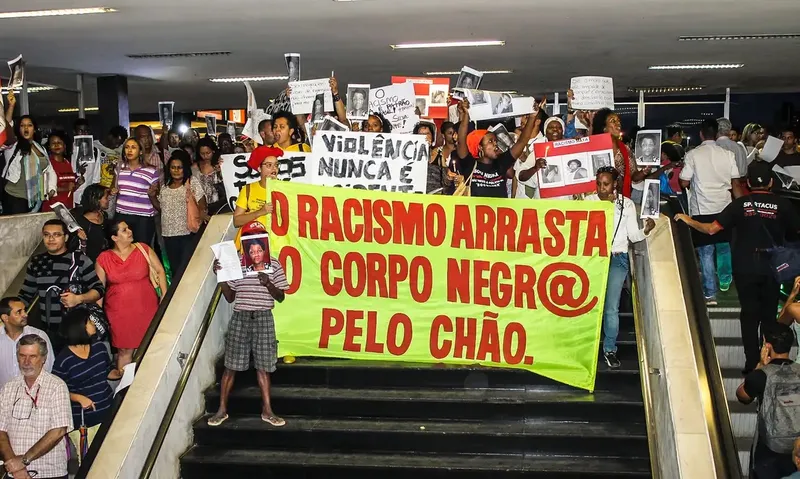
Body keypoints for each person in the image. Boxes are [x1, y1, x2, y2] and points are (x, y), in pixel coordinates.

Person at [675, 161, 800, 373]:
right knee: (769, 314)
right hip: (773, 268)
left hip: (745, 267)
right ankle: (771, 360)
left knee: (749, 314)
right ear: (770, 182)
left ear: (748, 183)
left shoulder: (740, 204)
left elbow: (712, 229)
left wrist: (688, 220)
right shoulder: (783, 205)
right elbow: (795, 232)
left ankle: (752, 363)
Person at [206, 250, 290, 427]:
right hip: (241, 316)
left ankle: (267, 410)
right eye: (251, 248)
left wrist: (268, 284)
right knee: (230, 365)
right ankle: (222, 410)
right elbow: (230, 297)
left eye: (259, 248)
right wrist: (221, 275)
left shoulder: (273, 264)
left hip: (264, 316)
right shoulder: (238, 264)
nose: (255, 252)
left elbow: (281, 297)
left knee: (264, 366)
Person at [586, 166, 654, 368]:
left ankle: (609, 349)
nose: (601, 188)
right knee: (588, 304)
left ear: (615, 184)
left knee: (611, 308)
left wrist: (646, 231)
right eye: (598, 183)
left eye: (605, 184)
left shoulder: (627, 204)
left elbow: (633, 236)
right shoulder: (589, 201)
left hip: (617, 258)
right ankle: (586, 347)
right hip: (592, 258)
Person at [678, 118, 744, 305]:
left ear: (701, 134)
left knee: (706, 252)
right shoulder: (727, 154)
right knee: (723, 247)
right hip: (725, 207)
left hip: (702, 208)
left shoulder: (694, 155)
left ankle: (710, 293)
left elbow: (684, 181)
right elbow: (736, 182)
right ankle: (725, 281)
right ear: (716, 134)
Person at [19, 220, 104, 352]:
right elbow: (25, 295)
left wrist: (78, 299)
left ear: (66, 237)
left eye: (56, 235)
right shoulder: (37, 262)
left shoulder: (80, 260)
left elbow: (99, 289)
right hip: (49, 332)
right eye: (47, 235)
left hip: (77, 330)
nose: (51, 239)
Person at [95, 218, 166, 373]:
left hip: (146, 307)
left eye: (128, 228)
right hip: (118, 312)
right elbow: (99, 289)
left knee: (150, 346)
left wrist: (164, 298)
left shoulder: (143, 249)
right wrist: (97, 313)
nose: (130, 232)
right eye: (124, 230)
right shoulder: (103, 258)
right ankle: (125, 390)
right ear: (114, 237)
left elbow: (160, 271)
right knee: (124, 351)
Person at [0, 334, 72, 479]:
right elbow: (1, 431)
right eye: (22, 356)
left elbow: (58, 431)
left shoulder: (57, 386)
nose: (26, 362)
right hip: (14, 472)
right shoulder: (8, 388)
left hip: (49, 472)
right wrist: (14, 466)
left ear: (44, 359)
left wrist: (24, 460)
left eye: (32, 356)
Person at [736, 323, 800, 479]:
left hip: (768, 448)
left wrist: (760, 365)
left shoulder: (761, 375)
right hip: (797, 448)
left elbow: (742, 396)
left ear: (767, 345)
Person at [53, 309, 113, 457]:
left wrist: (119, 373)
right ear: (79, 327)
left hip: (108, 413)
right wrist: (78, 398)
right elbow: (55, 390)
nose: (94, 324)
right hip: (84, 422)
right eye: (89, 321)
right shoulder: (64, 360)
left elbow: (108, 371)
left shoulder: (99, 347)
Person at [453, 99, 539, 198]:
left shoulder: (501, 162)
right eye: (490, 141)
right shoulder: (470, 164)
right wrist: (466, 114)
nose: (495, 144)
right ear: (480, 147)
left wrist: (532, 117)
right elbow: (461, 140)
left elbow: (522, 142)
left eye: (495, 141)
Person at [149, 150, 207, 278]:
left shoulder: (191, 182)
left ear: (184, 168)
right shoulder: (164, 187)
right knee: (175, 269)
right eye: (173, 167)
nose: (176, 170)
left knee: (187, 268)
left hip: (187, 233)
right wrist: (152, 197)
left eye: (179, 167)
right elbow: (162, 209)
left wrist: (202, 214)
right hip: (168, 234)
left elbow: (202, 201)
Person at [1, 112, 57, 215]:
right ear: (18, 129)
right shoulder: (13, 145)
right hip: (15, 197)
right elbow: (6, 127)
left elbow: (49, 169)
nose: (26, 128)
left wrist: (52, 188)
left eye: (29, 125)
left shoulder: (41, 148)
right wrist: (12, 107)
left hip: (36, 198)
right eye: (22, 125)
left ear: (34, 129)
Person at [0, 297, 54, 389]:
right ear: (5, 317)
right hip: (4, 398)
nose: (25, 314)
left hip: (35, 396)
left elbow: (48, 367)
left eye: (24, 310)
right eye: (19, 312)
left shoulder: (39, 335)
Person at [115, 137, 159, 248]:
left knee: (141, 250)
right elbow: (114, 188)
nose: (129, 150)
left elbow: (156, 193)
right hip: (122, 214)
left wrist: (152, 193)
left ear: (140, 151)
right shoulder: (120, 168)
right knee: (123, 249)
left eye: (133, 147)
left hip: (143, 217)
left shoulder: (151, 171)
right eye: (127, 147)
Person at [233, 146, 280, 231]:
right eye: (269, 165)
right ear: (259, 168)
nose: (274, 169)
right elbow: (236, 221)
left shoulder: (285, 189)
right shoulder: (248, 189)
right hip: (253, 241)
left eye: (276, 165)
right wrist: (260, 212)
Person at [72, 184, 110, 262]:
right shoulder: (81, 222)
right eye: (106, 198)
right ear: (96, 199)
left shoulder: (104, 216)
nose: (108, 200)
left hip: (105, 261)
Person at [42, 130, 76, 212]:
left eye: (59, 142)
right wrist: (65, 188)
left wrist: (78, 184)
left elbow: (71, 188)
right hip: (52, 209)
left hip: (68, 208)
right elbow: (45, 189)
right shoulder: (47, 164)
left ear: (64, 145)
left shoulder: (68, 163)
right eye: (53, 143)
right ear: (49, 146)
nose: (56, 145)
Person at [194, 137, 226, 214]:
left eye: (208, 153)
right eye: (202, 153)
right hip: (201, 206)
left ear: (213, 151)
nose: (205, 156)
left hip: (219, 205)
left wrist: (221, 171)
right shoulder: (195, 167)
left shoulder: (220, 164)